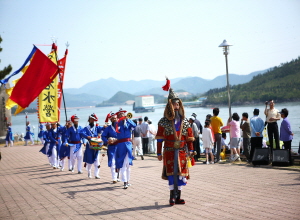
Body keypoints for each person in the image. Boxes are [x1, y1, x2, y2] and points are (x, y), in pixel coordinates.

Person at [156, 87, 194, 206]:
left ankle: (178, 197)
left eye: (177, 104)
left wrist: (192, 150)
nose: (176, 106)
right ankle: (172, 197)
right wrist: (158, 153)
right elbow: (159, 139)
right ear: (169, 105)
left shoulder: (185, 121)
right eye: (174, 104)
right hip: (169, 151)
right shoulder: (163, 122)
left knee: (181, 175)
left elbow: (189, 137)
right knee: (172, 175)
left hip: (182, 151)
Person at [114, 108, 136, 189]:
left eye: (123, 114)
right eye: (120, 115)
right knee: (123, 164)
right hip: (120, 145)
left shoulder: (129, 123)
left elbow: (134, 126)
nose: (121, 116)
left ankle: (128, 180)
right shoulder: (117, 124)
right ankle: (124, 182)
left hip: (128, 144)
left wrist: (128, 119)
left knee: (128, 164)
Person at [82, 113, 103, 179]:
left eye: (93, 119)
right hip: (89, 145)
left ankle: (96, 174)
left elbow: (102, 129)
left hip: (96, 145)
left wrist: (105, 126)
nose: (92, 121)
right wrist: (86, 136)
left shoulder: (97, 127)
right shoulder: (86, 128)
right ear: (89, 120)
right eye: (91, 119)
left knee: (97, 160)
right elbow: (81, 133)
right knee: (89, 161)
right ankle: (89, 172)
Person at [102, 112, 120, 183]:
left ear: (117, 118)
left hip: (119, 147)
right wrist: (107, 141)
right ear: (111, 120)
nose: (114, 120)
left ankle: (117, 176)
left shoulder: (120, 127)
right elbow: (103, 136)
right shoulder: (108, 128)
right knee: (113, 162)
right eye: (112, 119)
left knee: (119, 162)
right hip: (112, 147)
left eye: (115, 118)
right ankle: (114, 178)